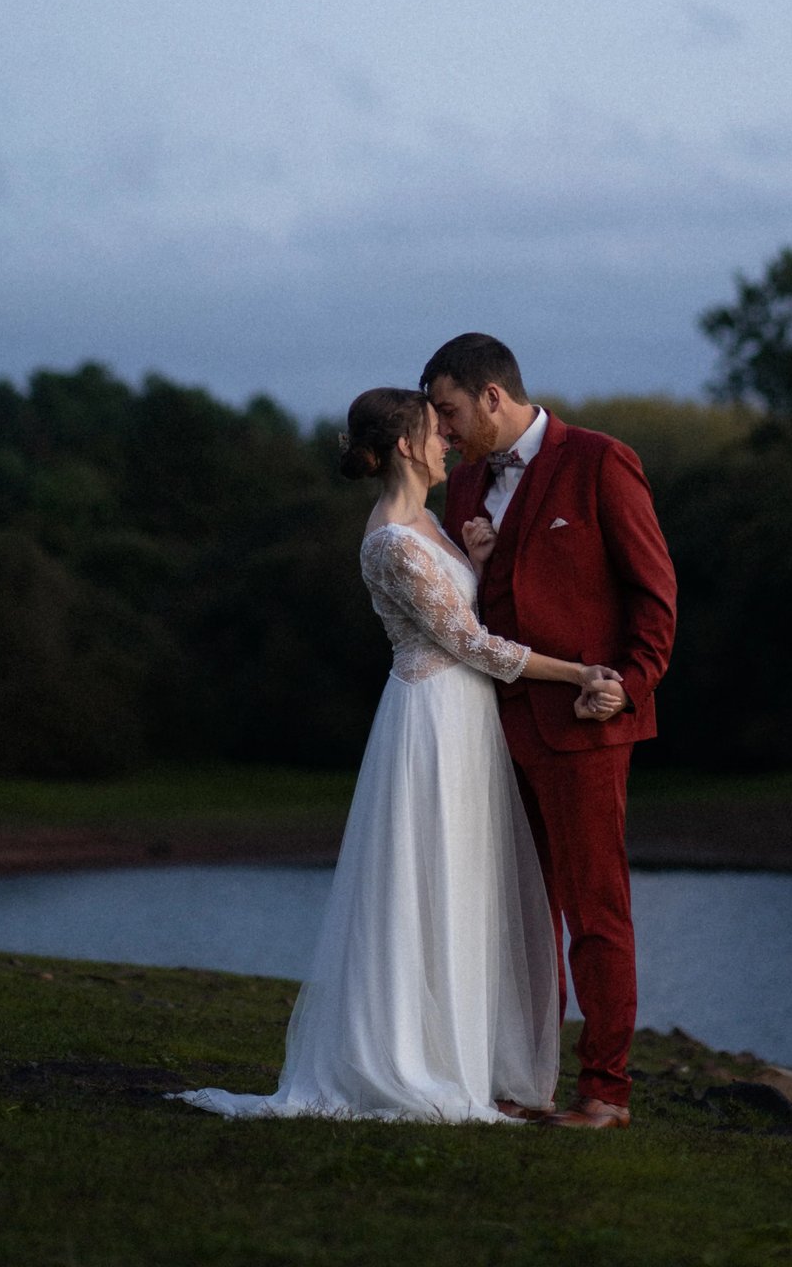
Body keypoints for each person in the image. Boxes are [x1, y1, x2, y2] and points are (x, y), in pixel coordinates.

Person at [173, 386, 625, 1124]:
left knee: (468, 881)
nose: (449, 440)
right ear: (409, 446)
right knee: (429, 881)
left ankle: (467, 1056)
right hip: (433, 721)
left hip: (467, 719)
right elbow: (472, 645)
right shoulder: (389, 539)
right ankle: (412, 1059)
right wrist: (581, 671)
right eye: (435, 431)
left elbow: (466, 606)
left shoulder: (432, 524)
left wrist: (477, 552)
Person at [423, 333, 678, 1131]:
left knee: (596, 913)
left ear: (493, 396)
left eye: (451, 410)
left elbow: (655, 596)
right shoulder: (463, 490)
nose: (444, 429)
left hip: (584, 728)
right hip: (490, 734)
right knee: (518, 916)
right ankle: (524, 1081)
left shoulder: (602, 461)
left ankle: (606, 1092)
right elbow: (465, 620)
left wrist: (630, 685)